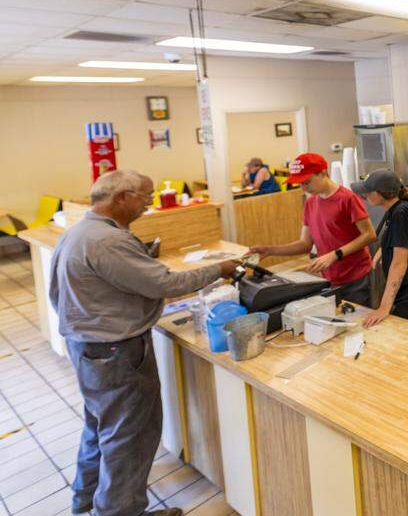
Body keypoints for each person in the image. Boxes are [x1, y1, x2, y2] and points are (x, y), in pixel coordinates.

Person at [50, 169, 240, 516]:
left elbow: (57, 293)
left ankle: (86, 503)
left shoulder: (78, 232)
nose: (148, 205)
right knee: (129, 437)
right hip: (116, 352)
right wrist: (219, 269)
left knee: (100, 429)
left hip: (87, 346)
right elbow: (163, 284)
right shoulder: (109, 240)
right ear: (122, 197)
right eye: (146, 197)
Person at [250, 152, 377, 307]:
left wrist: (335, 254)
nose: (304, 188)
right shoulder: (311, 203)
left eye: (307, 182)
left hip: (356, 278)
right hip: (329, 277)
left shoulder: (347, 198)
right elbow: (305, 244)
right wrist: (270, 250)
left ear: (323, 173)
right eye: (300, 184)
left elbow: (369, 235)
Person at [352, 170, 408, 326]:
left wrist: (384, 307)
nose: (364, 195)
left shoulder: (400, 214)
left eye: (368, 191)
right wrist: (382, 252)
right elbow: (402, 240)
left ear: (381, 194)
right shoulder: (401, 207)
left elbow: (399, 264)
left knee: (407, 338)